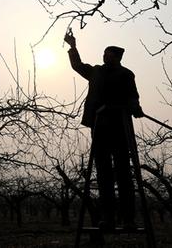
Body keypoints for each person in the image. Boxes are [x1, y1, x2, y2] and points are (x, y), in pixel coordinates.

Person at [64, 29, 144, 230]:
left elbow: (133, 96)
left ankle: (128, 219)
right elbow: (77, 66)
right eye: (104, 53)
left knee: (124, 174)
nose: (104, 55)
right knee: (103, 174)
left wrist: (135, 109)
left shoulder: (126, 74)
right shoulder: (96, 71)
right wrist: (73, 47)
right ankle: (107, 218)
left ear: (117, 57)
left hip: (120, 127)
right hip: (99, 126)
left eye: (108, 53)